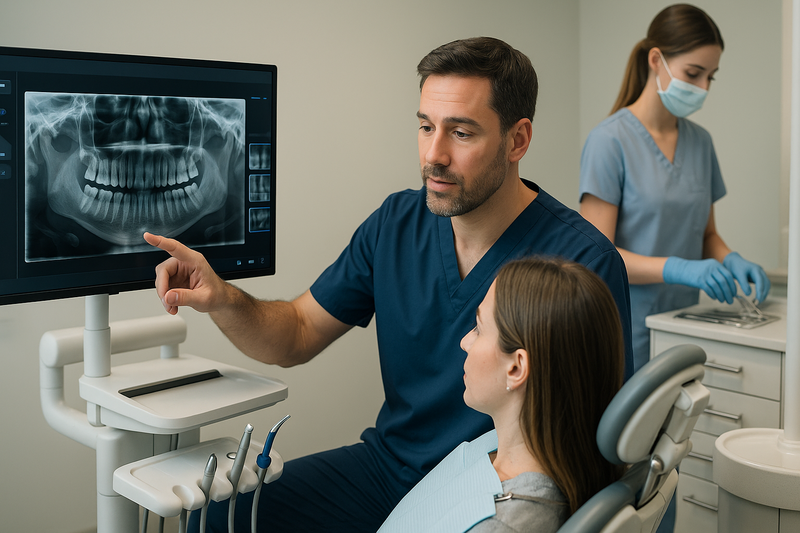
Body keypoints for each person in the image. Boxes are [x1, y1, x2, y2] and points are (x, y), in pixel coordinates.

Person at [145, 36, 633, 533]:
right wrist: (221, 297)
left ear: (517, 140)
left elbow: (596, 451)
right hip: (387, 470)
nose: (434, 155)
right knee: (218, 518)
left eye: (461, 133)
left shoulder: (581, 262)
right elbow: (294, 334)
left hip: (481, 488)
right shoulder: (397, 221)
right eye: (426, 127)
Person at [579, 3, 770, 375]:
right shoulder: (609, 141)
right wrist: (678, 268)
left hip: (686, 324)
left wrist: (731, 259)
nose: (702, 88)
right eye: (694, 73)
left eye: (710, 77)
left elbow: (707, 234)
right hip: (627, 329)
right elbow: (597, 256)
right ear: (656, 60)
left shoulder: (701, 142)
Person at [378, 257, 625, 533]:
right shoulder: (501, 449)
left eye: (479, 329)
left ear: (516, 367)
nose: (464, 341)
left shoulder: (503, 523)